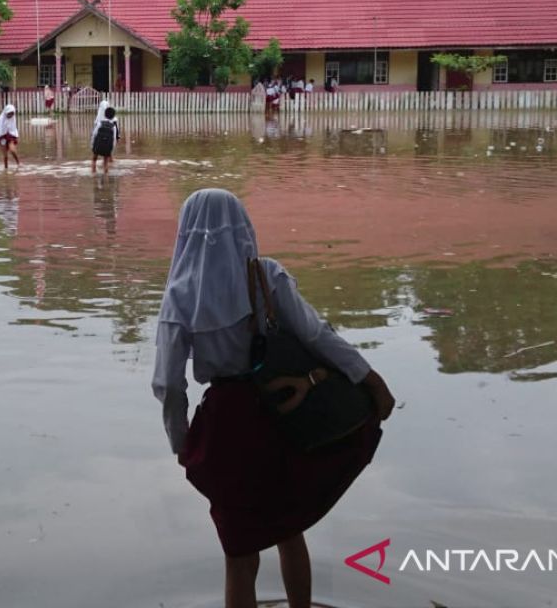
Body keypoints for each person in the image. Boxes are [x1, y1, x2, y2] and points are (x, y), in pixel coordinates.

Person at [153, 189, 395, 608]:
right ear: (243, 227)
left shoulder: (179, 295)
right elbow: (317, 336)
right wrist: (370, 379)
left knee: (238, 553)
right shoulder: (264, 277)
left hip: (225, 427)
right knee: (288, 530)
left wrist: (181, 441)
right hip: (278, 414)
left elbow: (169, 385)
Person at [0, 103, 20, 170]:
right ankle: (6, 168)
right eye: (9, 113)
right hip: (1, 137)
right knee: (5, 155)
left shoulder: (13, 119)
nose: (10, 115)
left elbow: (13, 128)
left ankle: (18, 164)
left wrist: (14, 135)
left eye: (12, 113)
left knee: (12, 150)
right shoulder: (0, 119)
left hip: (10, 136)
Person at [91, 105, 120, 174]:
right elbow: (114, 139)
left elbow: (94, 134)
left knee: (94, 159)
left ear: (104, 114)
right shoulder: (113, 126)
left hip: (97, 145)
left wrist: (92, 145)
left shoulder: (99, 123)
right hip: (107, 147)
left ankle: (93, 172)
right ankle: (106, 176)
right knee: (105, 163)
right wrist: (111, 149)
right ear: (113, 116)